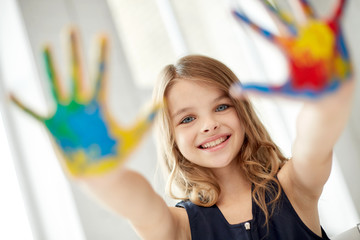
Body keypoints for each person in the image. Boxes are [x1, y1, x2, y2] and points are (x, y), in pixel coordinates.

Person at [81, 54, 354, 240]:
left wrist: (323, 97)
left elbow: (314, 141)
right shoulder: (179, 226)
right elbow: (137, 203)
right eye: (187, 118)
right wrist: (100, 169)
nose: (209, 125)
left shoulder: (294, 187)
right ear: (171, 137)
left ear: (242, 111)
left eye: (221, 107)